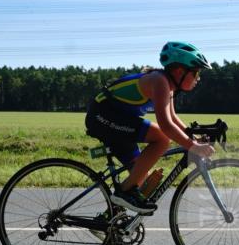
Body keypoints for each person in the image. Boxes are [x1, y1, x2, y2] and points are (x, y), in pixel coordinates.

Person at [85, 41, 216, 214]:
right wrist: (193, 146)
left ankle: (108, 221)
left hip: (119, 119)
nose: (198, 78)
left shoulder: (168, 86)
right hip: (102, 115)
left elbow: (174, 119)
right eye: (196, 72)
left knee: (140, 177)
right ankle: (124, 193)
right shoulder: (159, 81)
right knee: (162, 138)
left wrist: (192, 139)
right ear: (179, 71)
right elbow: (166, 125)